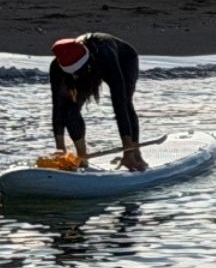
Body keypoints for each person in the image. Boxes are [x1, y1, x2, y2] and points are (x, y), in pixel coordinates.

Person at [49, 33, 147, 172]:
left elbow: (120, 106)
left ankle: (135, 155)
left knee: (125, 102)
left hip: (124, 59)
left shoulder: (105, 58)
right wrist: (61, 151)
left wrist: (128, 152)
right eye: (73, 75)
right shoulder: (57, 67)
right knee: (68, 108)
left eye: (77, 73)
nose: (76, 77)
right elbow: (57, 108)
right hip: (86, 66)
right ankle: (82, 159)